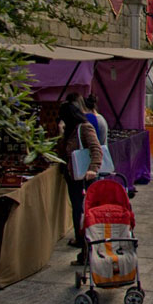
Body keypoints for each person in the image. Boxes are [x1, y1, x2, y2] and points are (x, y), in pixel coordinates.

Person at [57, 102, 101, 265]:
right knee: (77, 209)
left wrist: (93, 169)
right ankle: (80, 241)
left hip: (85, 177)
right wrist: (60, 132)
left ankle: (85, 247)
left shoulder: (84, 128)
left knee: (82, 212)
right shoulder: (70, 130)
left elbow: (96, 149)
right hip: (74, 176)